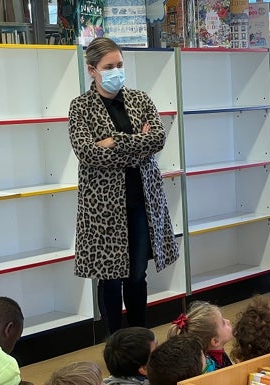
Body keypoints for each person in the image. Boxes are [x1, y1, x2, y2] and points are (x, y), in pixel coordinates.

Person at [68, 37, 179, 336]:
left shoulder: (140, 99)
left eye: (119, 65)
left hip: (142, 200)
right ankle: (114, 341)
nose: (116, 71)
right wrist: (136, 145)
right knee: (109, 277)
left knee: (137, 275)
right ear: (92, 70)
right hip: (102, 206)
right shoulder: (80, 107)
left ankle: (140, 338)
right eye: (108, 67)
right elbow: (87, 153)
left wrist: (115, 141)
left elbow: (157, 139)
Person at [167, 300, 233, 372]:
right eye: (223, 323)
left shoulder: (219, 354)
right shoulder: (209, 369)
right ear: (215, 341)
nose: (228, 321)